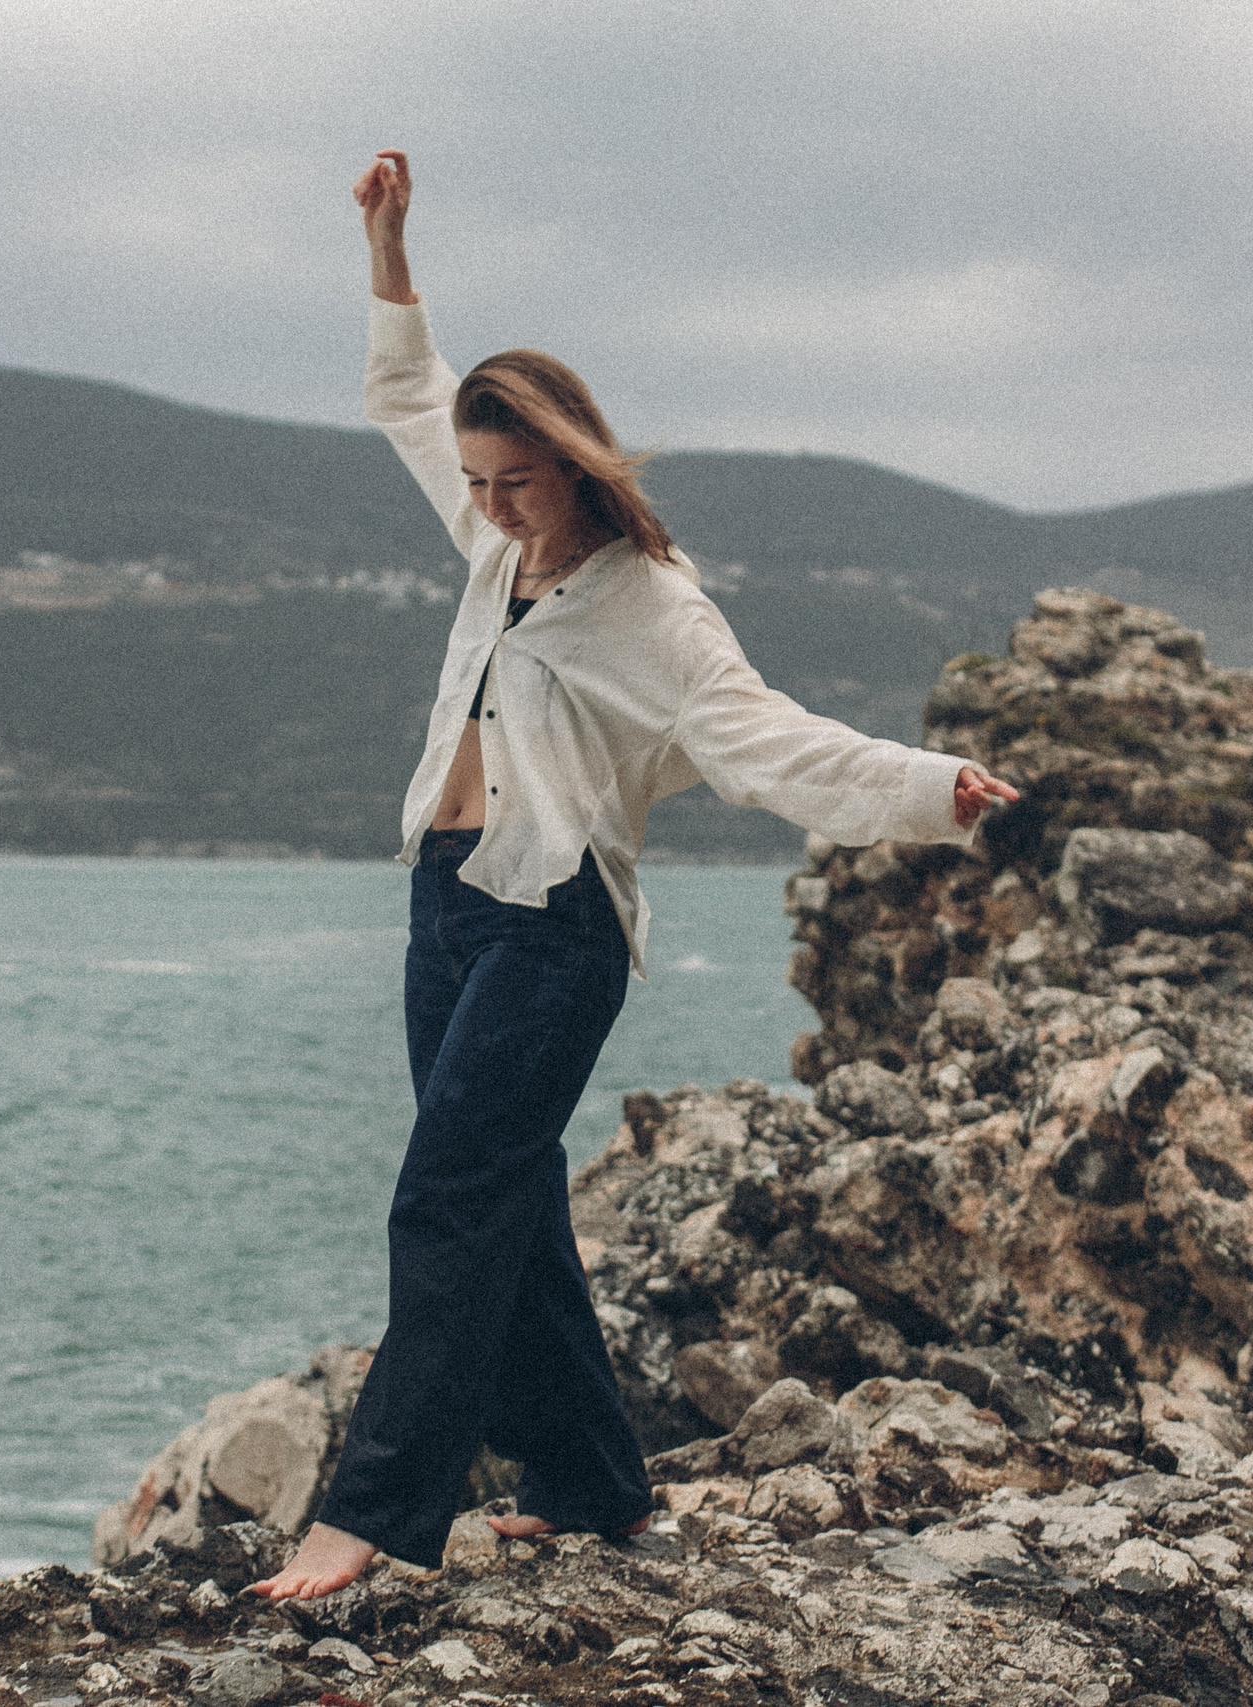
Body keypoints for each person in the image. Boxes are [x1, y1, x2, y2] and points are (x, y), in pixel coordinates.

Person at [248, 150, 1019, 1602]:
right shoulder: (495, 554)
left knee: (448, 1198)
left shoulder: (657, 609)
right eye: (476, 485)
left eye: (515, 483)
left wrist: (931, 791)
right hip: (447, 908)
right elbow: (408, 400)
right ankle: (595, 1481)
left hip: (555, 934)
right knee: (512, 1196)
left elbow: (773, 748)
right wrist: (390, 249)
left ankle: (373, 1513)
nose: (488, 507)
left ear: (576, 465)